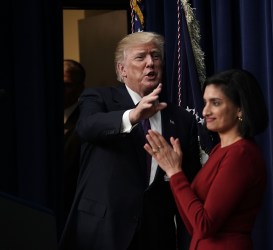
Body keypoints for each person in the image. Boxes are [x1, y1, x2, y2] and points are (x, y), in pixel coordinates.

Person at [59, 32, 201, 250]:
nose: (150, 63)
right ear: (122, 70)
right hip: (103, 231)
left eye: (155, 56)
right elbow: (87, 127)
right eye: (140, 57)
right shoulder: (98, 98)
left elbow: (190, 180)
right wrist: (133, 116)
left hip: (156, 235)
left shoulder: (181, 118)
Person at [144, 69, 269, 250]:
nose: (205, 111)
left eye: (215, 103)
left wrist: (175, 173)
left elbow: (204, 225)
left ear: (240, 109)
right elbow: (193, 224)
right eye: (205, 103)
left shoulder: (241, 155)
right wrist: (174, 173)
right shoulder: (221, 149)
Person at [62, 59, 85, 226]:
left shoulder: (85, 121)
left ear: (80, 89)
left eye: (66, 85)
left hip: (73, 206)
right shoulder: (39, 115)